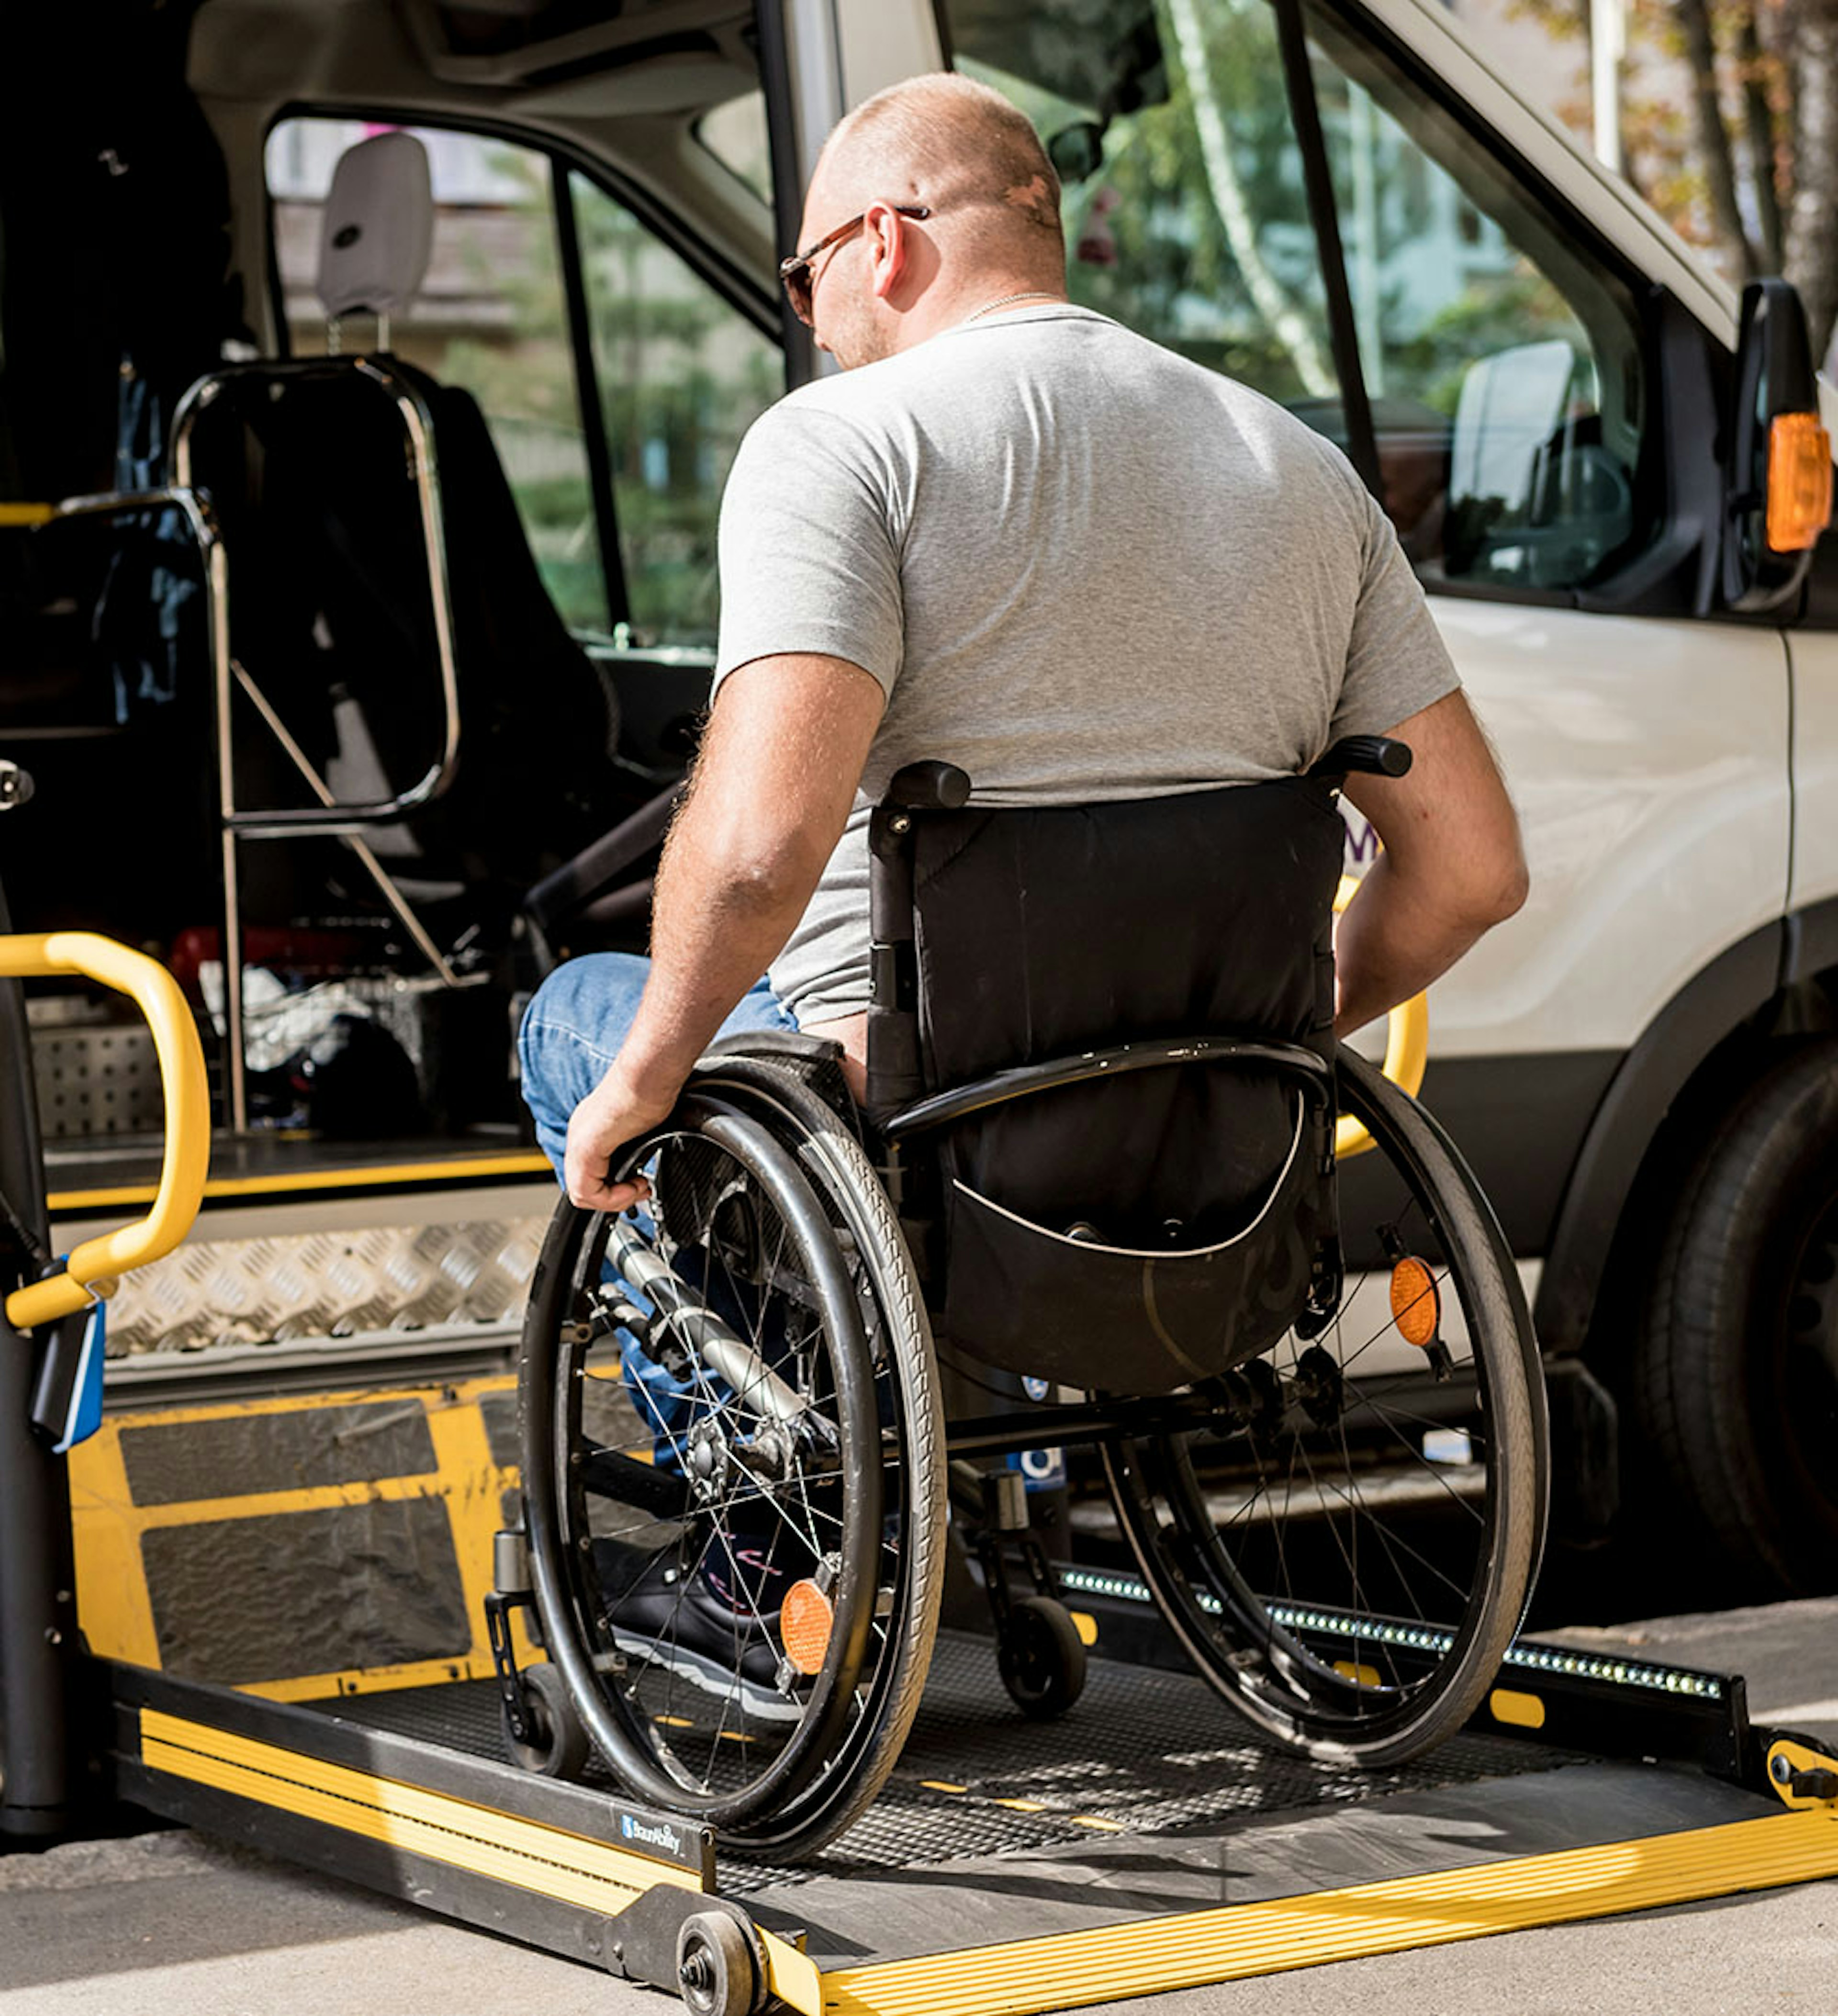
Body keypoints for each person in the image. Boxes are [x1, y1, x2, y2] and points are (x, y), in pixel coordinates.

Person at [520, 71, 1527, 1217]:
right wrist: (1256, 1037)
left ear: (884, 243)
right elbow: (1476, 869)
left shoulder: (841, 445)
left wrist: (644, 1079)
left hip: (906, 1114)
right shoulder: (1302, 467)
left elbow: (757, 853)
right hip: (1206, 1121)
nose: (811, 316)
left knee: (570, 1016)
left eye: (805, 279)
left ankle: (723, 1381)